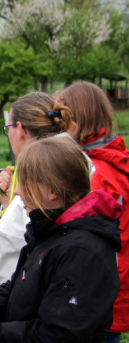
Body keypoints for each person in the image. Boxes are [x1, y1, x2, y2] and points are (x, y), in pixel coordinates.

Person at [0, 136, 121, 342]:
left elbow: (60, 334)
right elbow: (21, 284)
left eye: (24, 182)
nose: (16, 191)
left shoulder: (82, 252)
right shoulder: (50, 231)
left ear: (52, 190)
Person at [55, 81, 129, 343]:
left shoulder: (94, 172)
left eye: (60, 117)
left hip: (93, 297)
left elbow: (77, 239)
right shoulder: (114, 161)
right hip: (112, 291)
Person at [0, 92, 77, 287]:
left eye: (8, 128)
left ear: (20, 129)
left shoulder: (38, 181)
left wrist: (11, 211)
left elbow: (17, 245)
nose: (17, 191)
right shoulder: (76, 165)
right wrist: (8, 204)